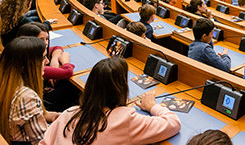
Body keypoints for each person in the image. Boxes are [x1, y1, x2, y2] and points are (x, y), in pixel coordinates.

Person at [40, 57, 181, 145]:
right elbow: (173, 123)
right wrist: (152, 106)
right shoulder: (125, 119)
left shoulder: (68, 113)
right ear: (121, 88)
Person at [0, 37, 59, 144]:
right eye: (43, 58)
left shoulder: (6, 85)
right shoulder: (27, 98)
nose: (47, 61)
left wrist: (52, 115)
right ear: (26, 66)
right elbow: (43, 141)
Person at [16, 22, 78, 112]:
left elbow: (57, 47)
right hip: (41, 102)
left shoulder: (19, 52)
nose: (45, 43)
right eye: (41, 39)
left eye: (47, 39)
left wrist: (54, 59)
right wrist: (65, 60)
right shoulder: (34, 64)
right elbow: (67, 72)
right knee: (71, 88)